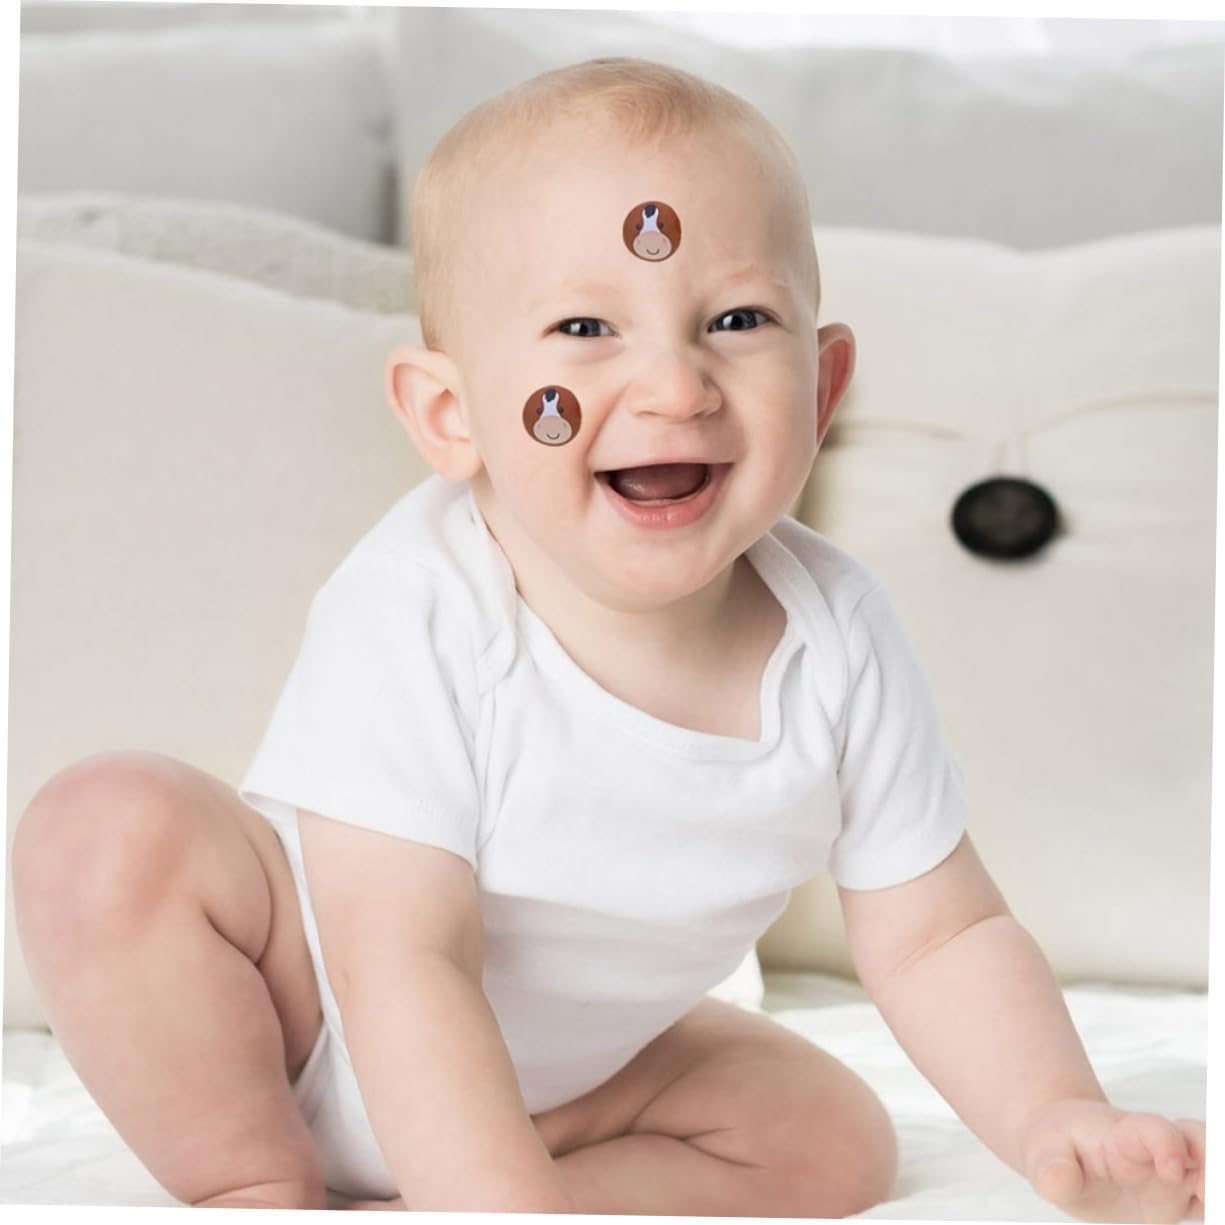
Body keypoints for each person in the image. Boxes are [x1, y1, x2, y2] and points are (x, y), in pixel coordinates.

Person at [12, 57, 1206, 1219]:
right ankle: (253, 1186)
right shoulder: (418, 602)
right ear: (450, 414)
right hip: (302, 1011)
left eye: (736, 319)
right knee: (106, 828)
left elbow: (940, 933)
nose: (675, 387)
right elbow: (401, 960)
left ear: (823, 384)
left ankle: (457, 1196)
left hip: (562, 1088)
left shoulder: (837, 635)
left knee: (830, 1138)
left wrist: (1056, 1112)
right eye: (586, 326)